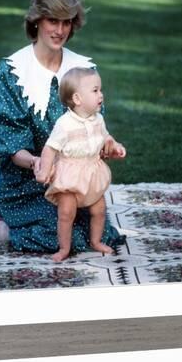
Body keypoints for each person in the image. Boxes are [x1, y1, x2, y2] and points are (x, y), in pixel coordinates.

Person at [0, 0, 126, 254]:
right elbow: (10, 143)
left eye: (67, 22)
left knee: (101, 235)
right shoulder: (12, 72)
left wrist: (105, 146)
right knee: (58, 238)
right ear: (37, 20)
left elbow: (95, 126)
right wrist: (37, 162)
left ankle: (24, 228)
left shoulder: (83, 70)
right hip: (26, 183)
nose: (60, 30)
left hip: (74, 182)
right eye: (53, 20)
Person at [35, 67, 126, 261]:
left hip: (91, 173)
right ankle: (64, 248)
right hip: (70, 175)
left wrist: (114, 145)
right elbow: (50, 148)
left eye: (100, 90)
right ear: (77, 99)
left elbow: (105, 137)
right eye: (95, 91)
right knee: (67, 212)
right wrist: (44, 170)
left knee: (99, 209)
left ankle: (96, 241)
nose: (101, 95)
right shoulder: (64, 124)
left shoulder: (98, 119)